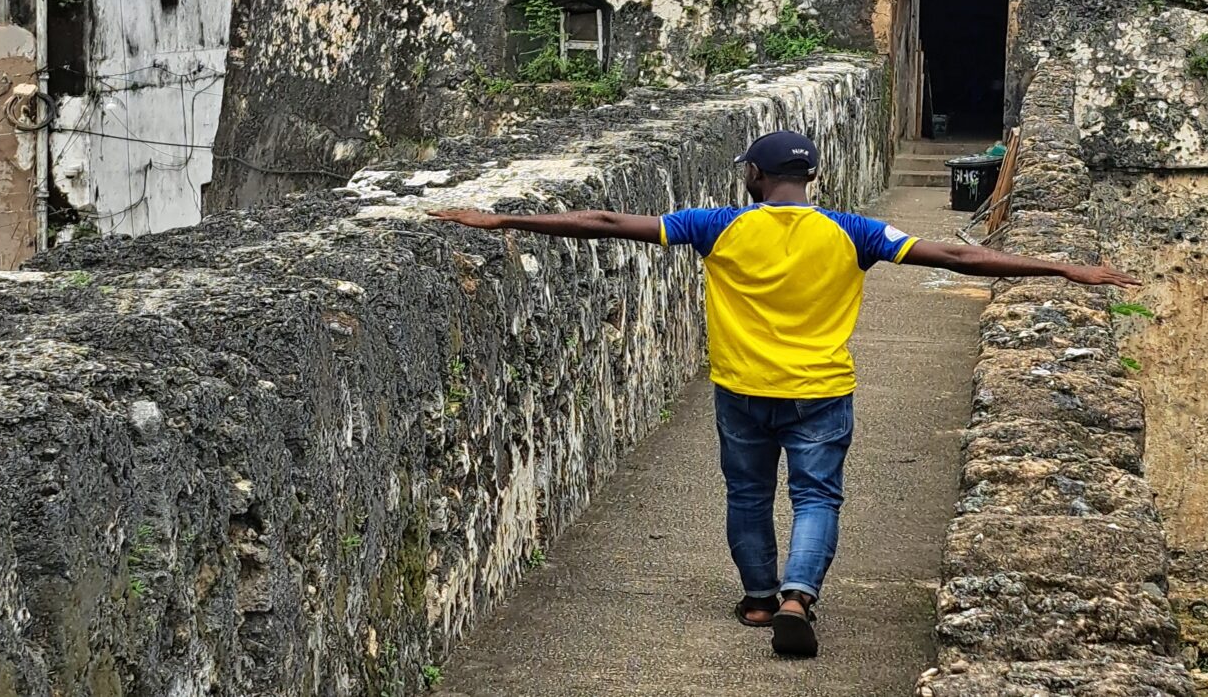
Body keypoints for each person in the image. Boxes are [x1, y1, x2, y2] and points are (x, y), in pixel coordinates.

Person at [430, 128, 1140, 659]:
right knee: (817, 496)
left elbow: (610, 224)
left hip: (741, 388)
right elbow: (957, 253)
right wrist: (1063, 269)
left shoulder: (718, 224)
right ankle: (801, 594)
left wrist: (504, 221)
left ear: (756, 176)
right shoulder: (853, 231)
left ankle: (760, 601)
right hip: (821, 390)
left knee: (746, 494)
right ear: (811, 176)